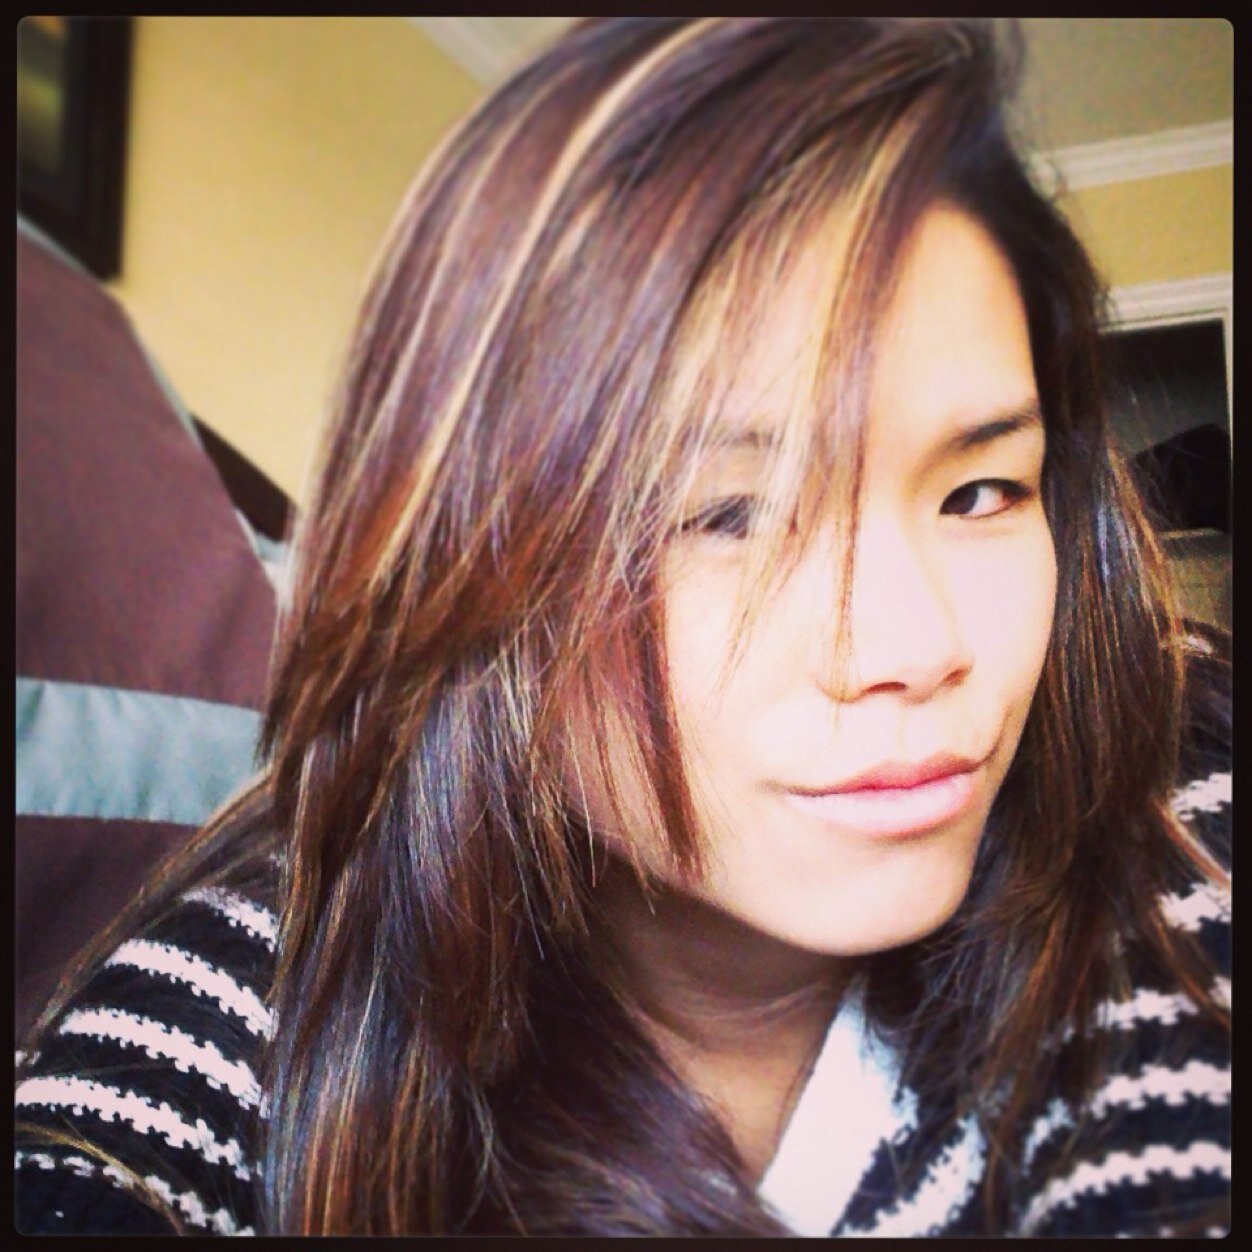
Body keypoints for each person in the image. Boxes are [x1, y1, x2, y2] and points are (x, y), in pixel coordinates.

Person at [15, 17, 1230, 1237]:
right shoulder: (275, 982)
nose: (918, 649)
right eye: (725, 516)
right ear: (471, 569)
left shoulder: (1166, 765)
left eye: (979, 493)